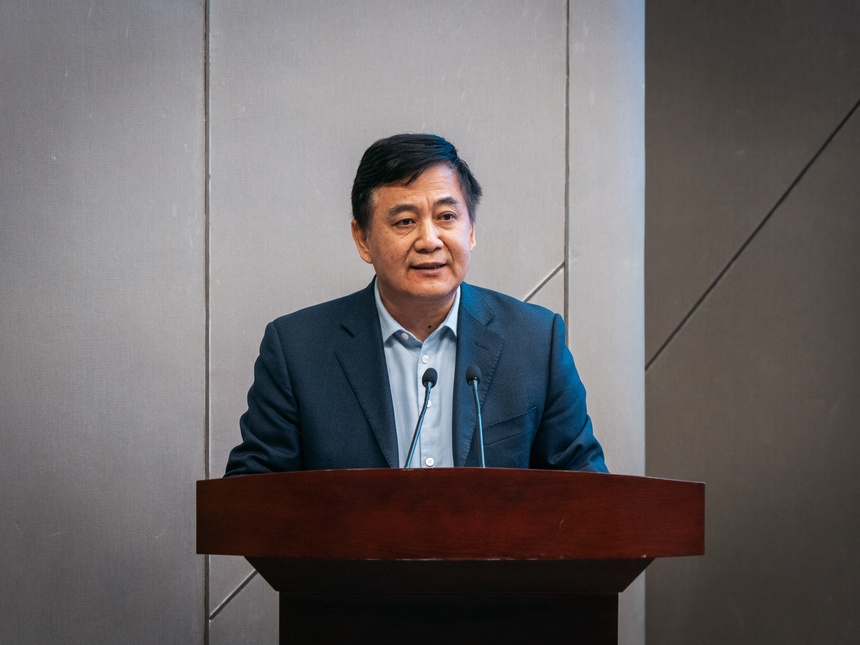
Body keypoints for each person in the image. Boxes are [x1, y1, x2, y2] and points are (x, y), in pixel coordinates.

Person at [225, 133, 607, 475]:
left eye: (446, 217)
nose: (429, 240)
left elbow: (586, 490)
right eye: (405, 222)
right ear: (362, 239)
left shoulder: (535, 342)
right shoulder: (298, 351)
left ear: (471, 230)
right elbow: (252, 497)